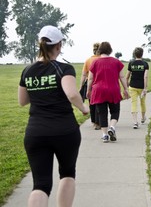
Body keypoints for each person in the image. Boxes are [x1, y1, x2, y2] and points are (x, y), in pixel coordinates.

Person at [18, 25, 89, 207]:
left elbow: (23, 100)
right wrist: (83, 108)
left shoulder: (28, 70)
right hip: (64, 131)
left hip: (35, 132)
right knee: (67, 173)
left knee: (40, 184)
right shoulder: (63, 68)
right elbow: (72, 94)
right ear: (59, 46)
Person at [86, 41, 129, 143]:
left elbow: (90, 78)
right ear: (110, 50)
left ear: (99, 50)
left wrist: (88, 90)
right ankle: (112, 127)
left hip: (99, 90)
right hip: (113, 89)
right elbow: (122, 77)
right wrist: (126, 89)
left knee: (102, 113)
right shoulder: (116, 62)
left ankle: (105, 135)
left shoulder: (95, 62)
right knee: (115, 111)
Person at [125, 47, 149, 129]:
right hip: (142, 87)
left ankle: (135, 122)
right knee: (143, 102)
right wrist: (145, 88)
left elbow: (127, 76)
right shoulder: (145, 64)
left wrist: (126, 86)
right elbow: (145, 76)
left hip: (133, 86)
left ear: (135, 54)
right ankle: (143, 118)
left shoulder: (131, 63)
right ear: (142, 54)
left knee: (134, 103)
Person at [80, 42, 101, 130]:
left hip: (90, 85)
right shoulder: (102, 59)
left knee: (92, 104)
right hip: (100, 84)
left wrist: (81, 86)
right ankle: (99, 122)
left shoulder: (88, 60)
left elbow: (84, 75)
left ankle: (94, 122)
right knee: (99, 104)